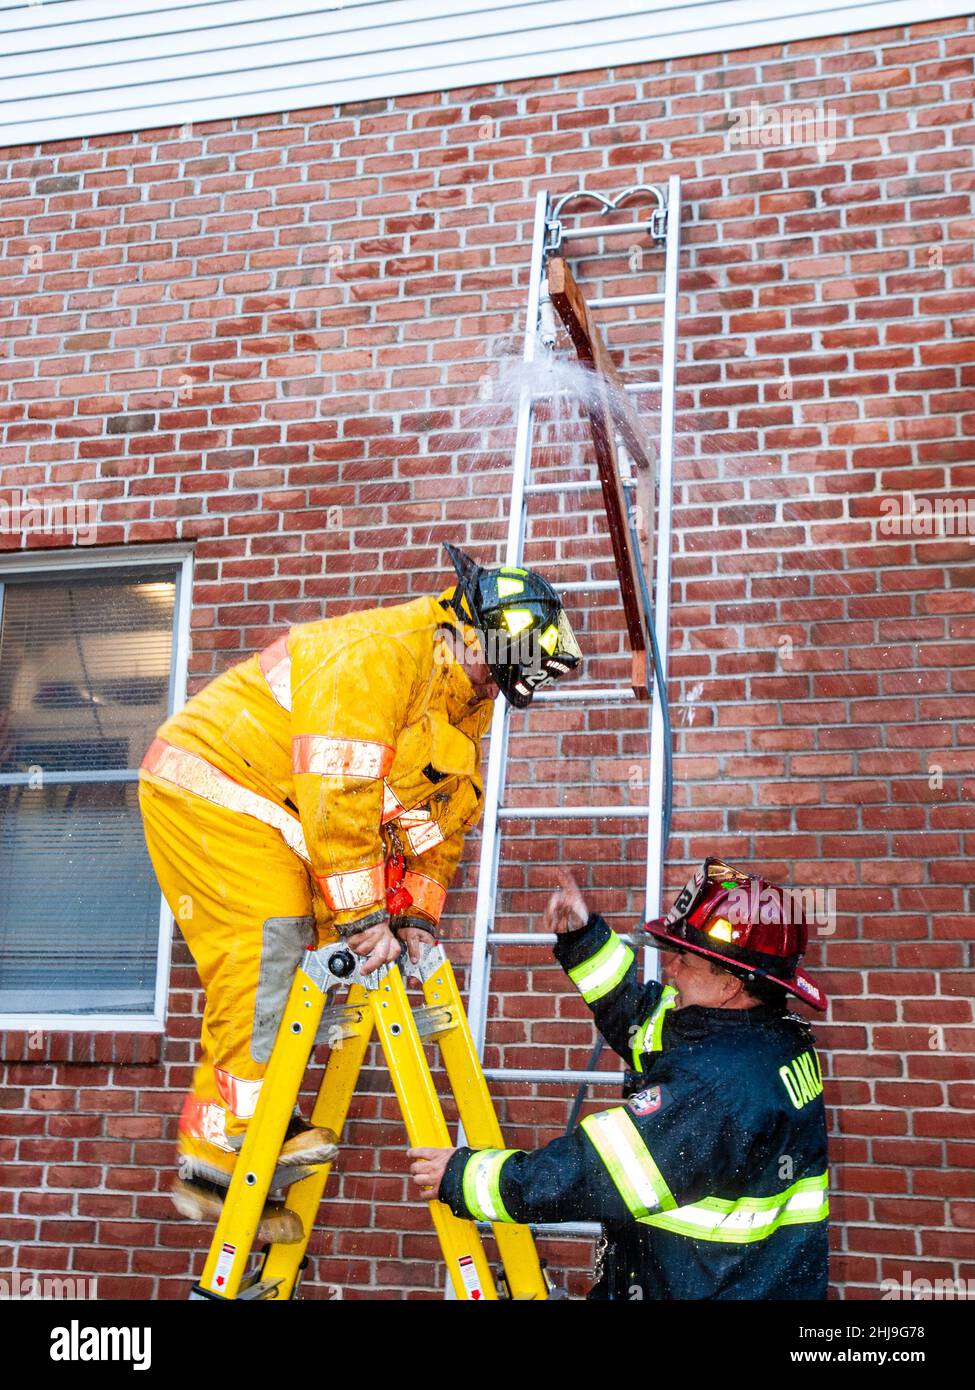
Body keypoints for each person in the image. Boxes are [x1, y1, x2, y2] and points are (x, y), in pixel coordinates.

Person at [138, 542, 581, 1240]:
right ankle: (232, 1147)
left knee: (300, 961)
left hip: (283, 812)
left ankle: (223, 1152)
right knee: (271, 949)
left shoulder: (464, 690)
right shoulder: (380, 654)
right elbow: (339, 791)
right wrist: (362, 916)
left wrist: (415, 917)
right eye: (499, 673)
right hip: (215, 789)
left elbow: (441, 821)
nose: (497, 690)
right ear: (471, 633)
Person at [410, 860, 830, 1299]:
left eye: (684, 959)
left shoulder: (716, 1085)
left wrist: (464, 1176)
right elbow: (642, 1022)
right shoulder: (770, 1036)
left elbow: (593, 1174)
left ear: (729, 985)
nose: (671, 969)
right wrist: (581, 938)